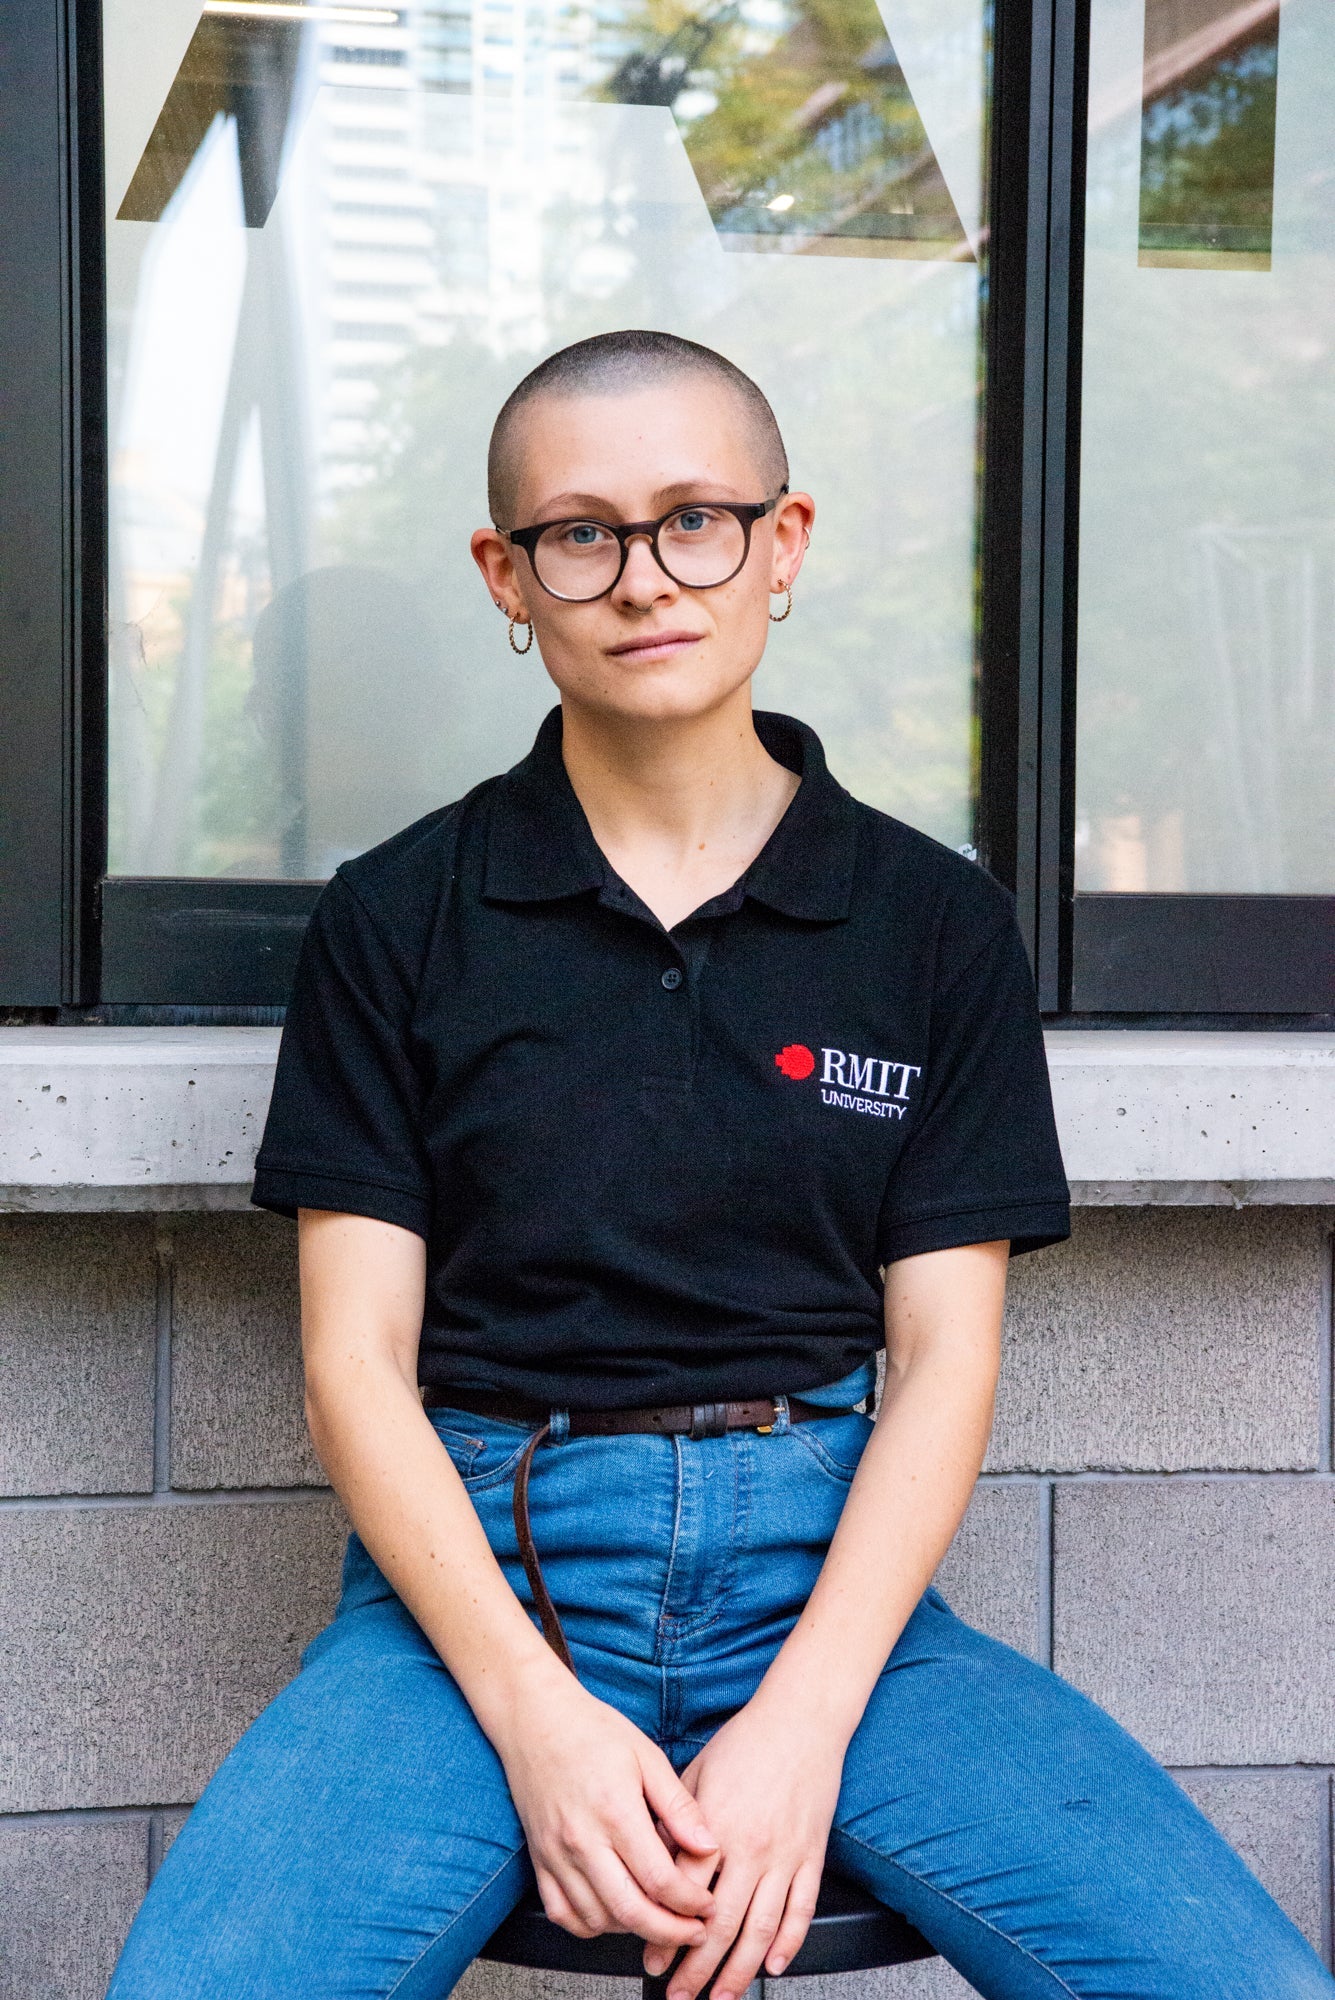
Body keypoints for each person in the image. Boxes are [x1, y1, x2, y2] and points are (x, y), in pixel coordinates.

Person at [106, 331, 1335, 2000]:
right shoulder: (400, 916)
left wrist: (805, 1725)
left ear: (785, 542)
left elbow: (944, 1363)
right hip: (486, 1583)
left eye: (697, 518)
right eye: (582, 533)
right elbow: (353, 1364)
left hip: (832, 1585)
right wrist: (536, 1718)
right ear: (508, 575)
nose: (643, 576)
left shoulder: (930, 925)